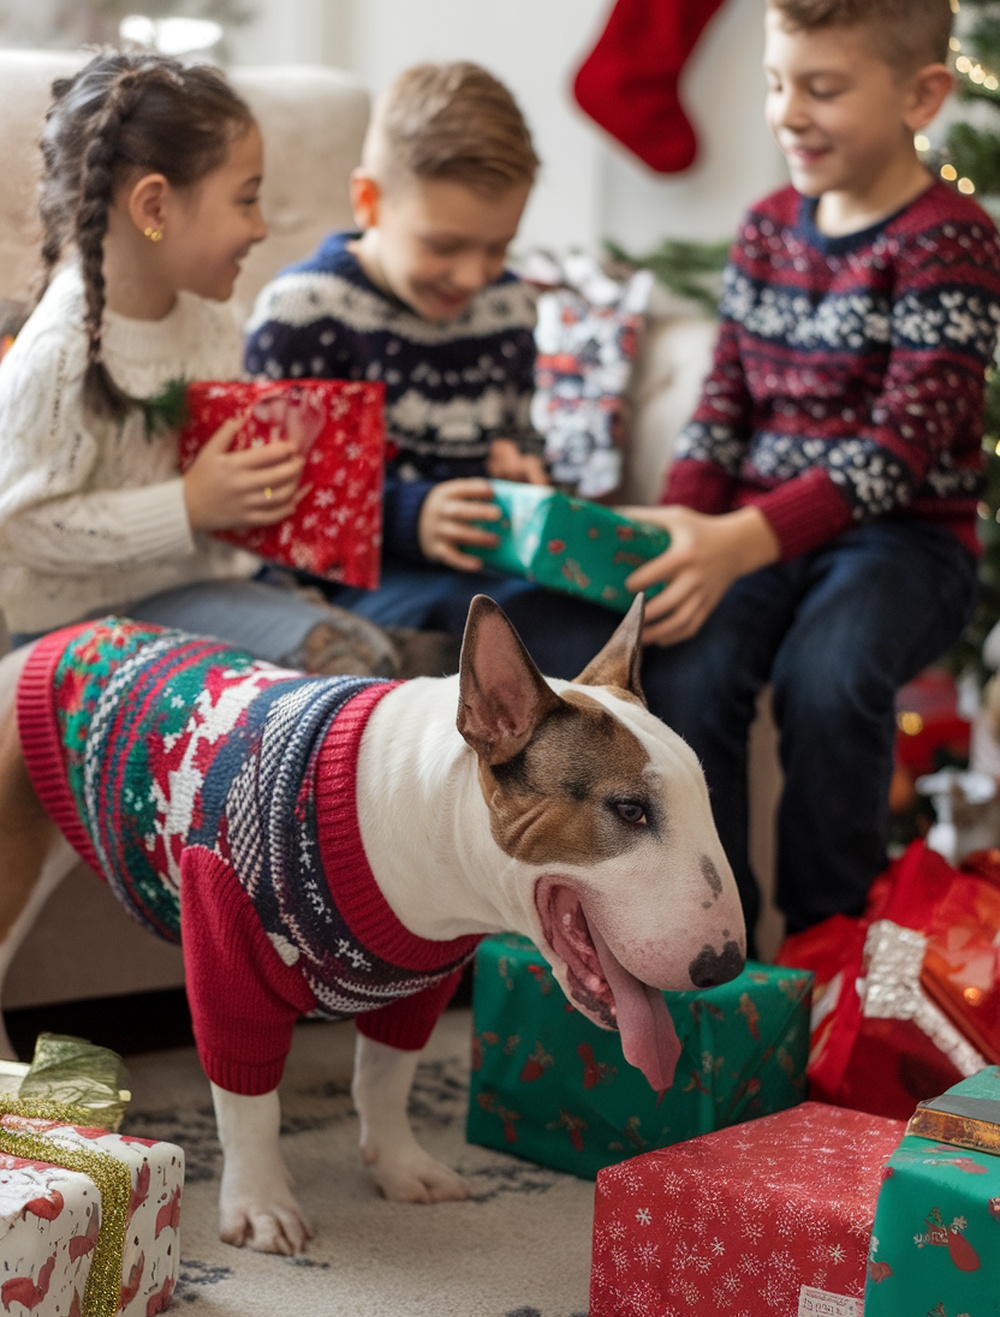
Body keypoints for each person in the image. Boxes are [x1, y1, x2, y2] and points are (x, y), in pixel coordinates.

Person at [616, 0, 1000, 941]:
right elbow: (722, 411)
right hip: (758, 535)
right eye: (777, 83)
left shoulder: (950, 240)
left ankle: (832, 944)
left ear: (923, 94)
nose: (788, 111)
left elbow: (904, 445)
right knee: (691, 667)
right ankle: (722, 943)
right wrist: (682, 532)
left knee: (827, 678)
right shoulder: (765, 230)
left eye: (823, 89)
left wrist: (739, 538)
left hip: (904, 543)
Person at [0, 50, 400, 677]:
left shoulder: (214, 318)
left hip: (193, 595)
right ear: (154, 209)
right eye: (246, 201)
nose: (262, 228)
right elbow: (16, 527)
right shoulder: (60, 350)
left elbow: (225, 474)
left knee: (366, 650)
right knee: (338, 660)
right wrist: (186, 506)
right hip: (74, 632)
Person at [244, 60, 549, 638]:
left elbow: (519, 433)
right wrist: (408, 518)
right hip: (347, 587)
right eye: (445, 245)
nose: (472, 275)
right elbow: (273, 503)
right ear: (369, 201)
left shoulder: (508, 307)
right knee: (514, 628)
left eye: (499, 248)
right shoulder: (305, 314)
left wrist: (523, 471)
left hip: (485, 570)